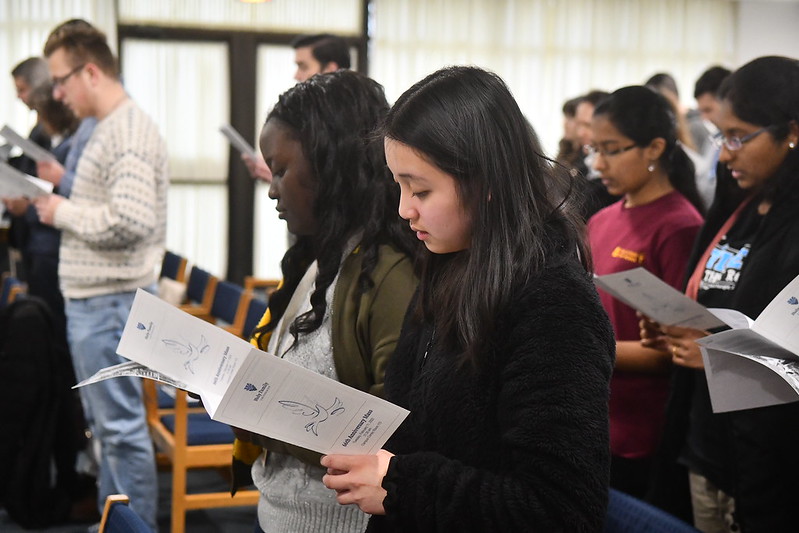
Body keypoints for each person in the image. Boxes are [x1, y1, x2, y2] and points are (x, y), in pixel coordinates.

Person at [320, 66, 615, 532]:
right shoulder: (451, 263)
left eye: (421, 189)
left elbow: (560, 509)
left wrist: (401, 484)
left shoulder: (554, 302)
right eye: (398, 185)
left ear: (488, 182)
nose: (404, 209)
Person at [231, 70, 417, 533]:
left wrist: (255, 411)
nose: (272, 188)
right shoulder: (325, 256)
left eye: (281, 168)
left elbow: (390, 436)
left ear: (330, 162)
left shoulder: (387, 273)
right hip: (285, 515)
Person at [643, 56, 799, 533]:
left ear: (791, 131)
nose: (724, 155)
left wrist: (715, 354)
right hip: (708, 446)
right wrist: (676, 329)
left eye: (738, 136)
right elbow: (723, 309)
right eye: (721, 135)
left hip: (775, 465)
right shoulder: (743, 207)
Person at [33, 19, 168, 529]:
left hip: (111, 301)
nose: (59, 94)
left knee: (121, 430)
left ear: (90, 72)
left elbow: (132, 222)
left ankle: (133, 528)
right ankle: (116, 522)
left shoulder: (127, 131)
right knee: (108, 429)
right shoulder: (111, 127)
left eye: (61, 80)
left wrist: (59, 212)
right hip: (101, 299)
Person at [586, 85, 704, 499]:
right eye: (595, 149)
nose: (599, 163)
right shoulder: (601, 220)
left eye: (612, 149)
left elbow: (677, 346)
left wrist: (581, 350)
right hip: (595, 416)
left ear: (654, 148)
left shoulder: (680, 226)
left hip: (641, 429)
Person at [242, 32, 351, 182]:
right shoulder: (311, 113)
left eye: (303, 66)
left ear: (330, 69)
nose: (297, 75)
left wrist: (281, 178)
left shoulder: (351, 117)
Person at [574, 89, 620, 219]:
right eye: (578, 125)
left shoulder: (618, 177)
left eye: (587, 125)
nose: (580, 133)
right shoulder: (579, 164)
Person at [693, 66, 732, 209]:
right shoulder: (713, 141)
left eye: (708, 110)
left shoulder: (742, 144)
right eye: (701, 112)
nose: (704, 118)